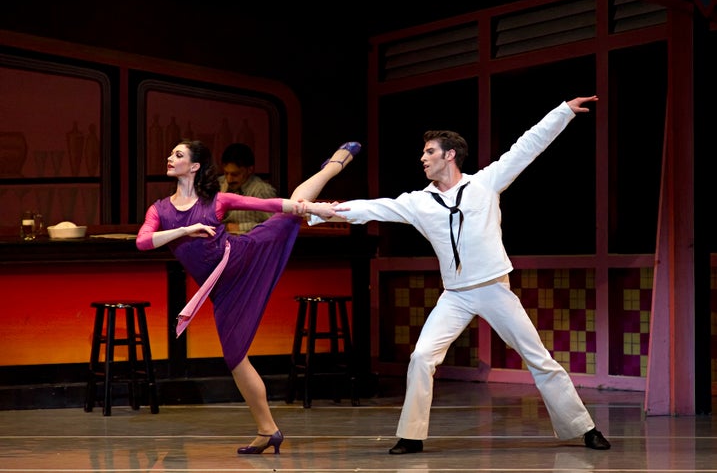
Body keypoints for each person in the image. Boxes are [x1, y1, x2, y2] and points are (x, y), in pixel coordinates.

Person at [308, 96, 611, 453]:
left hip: (494, 289)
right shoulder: (418, 202)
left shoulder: (485, 183)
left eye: (429, 152)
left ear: (449, 155)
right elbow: (370, 208)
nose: (423, 158)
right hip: (455, 295)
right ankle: (411, 435)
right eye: (423, 153)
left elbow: (527, 146)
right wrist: (318, 211)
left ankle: (584, 427)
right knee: (421, 357)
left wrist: (562, 112)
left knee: (537, 357)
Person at [136, 139, 361, 455]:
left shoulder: (217, 200)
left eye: (178, 154)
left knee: (288, 214)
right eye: (171, 152)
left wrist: (313, 209)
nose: (169, 157)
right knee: (235, 357)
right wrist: (185, 231)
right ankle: (268, 430)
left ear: (195, 165)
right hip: (221, 288)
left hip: (243, 258)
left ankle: (333, 166)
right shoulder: (159, 209)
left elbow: (273, 205)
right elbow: (143, 242)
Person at [219, 142, 277, 234]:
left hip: (248, 244)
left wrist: (240, 227)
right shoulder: (219, 184)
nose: (229, 179)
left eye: (235, 174)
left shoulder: (261, 191)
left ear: (249, 170)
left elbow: (275, 225)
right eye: (226, 173)